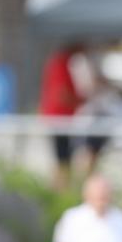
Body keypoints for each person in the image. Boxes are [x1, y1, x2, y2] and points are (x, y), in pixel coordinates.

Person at [40, 42, 87, 192]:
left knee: (65, 158)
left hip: (61, 118)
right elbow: (62, 95)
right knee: (62, 159)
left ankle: (62, 189)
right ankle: (60, 190)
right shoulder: (61, 63)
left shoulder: (61, 63)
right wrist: (80, 100)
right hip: (59, 119)